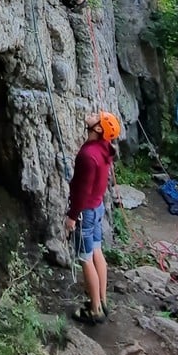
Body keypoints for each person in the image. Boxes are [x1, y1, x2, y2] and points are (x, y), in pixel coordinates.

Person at [64, 111, 122, 324]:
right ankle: (102, 301)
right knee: (97, 251)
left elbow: (82, 192)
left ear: (98, 129)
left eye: (96, 117)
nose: (92, 115)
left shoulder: (88, 156)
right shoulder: (104, 149)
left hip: (86, 211)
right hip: (96, 209)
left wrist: (72, 217)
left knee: (85, 258)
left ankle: (95, 310)